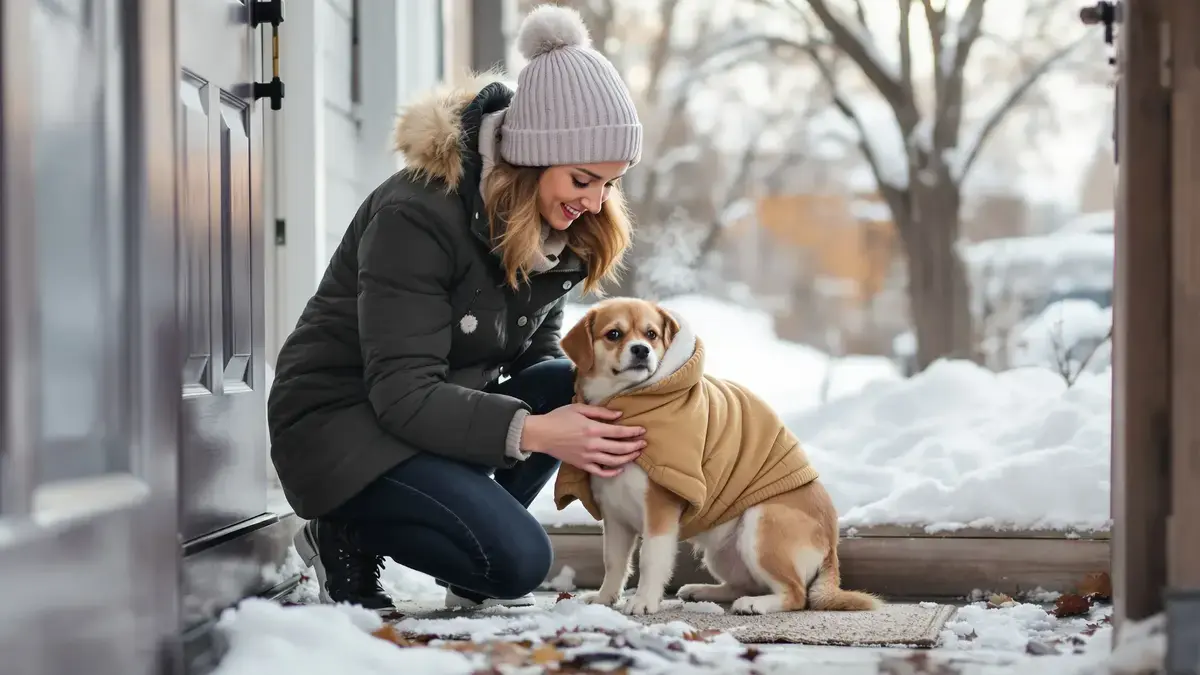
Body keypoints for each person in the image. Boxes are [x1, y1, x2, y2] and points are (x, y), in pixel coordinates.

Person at [267, 4, 646, 613]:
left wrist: (587, 413)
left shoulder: (556, 234)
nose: (597, 202)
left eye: (610, 182)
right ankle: (343, 529)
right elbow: (401, 393)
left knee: (566, 383)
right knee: (520, 562)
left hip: (429, 415)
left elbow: (538, 364)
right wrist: (539, 432)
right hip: (342, 424)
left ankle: (467, 549)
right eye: (582, 179)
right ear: (532, 154)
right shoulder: (418, 214)